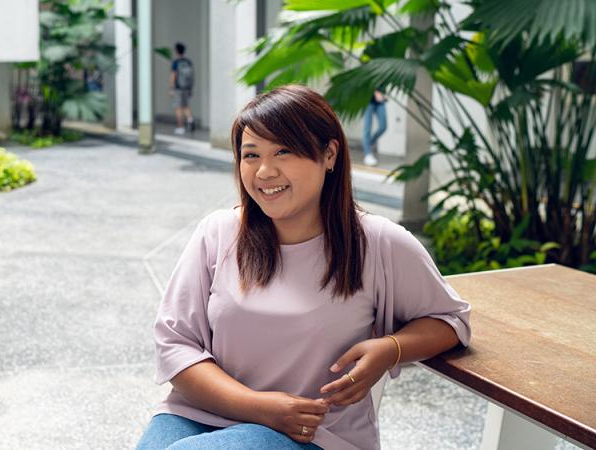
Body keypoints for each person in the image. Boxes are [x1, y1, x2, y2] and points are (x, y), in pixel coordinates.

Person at [136, 85, 471, 450]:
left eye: (284, 151)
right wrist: (258, 407)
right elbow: (175, 344)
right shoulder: (218, 233)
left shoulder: (379, 242)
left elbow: (450, 320)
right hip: (201, 413)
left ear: (329, 154)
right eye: (251, 155)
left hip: (314, 434)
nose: (265, 171)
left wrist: (391, 348)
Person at [169, 42, 195, 135]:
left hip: (178, 88)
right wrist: (190, 88)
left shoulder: (176, 63)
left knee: (178, 108)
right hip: (187, 88)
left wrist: (171, 88)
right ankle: (190, 120)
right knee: (186, 106)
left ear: (176, 51)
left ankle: (180, 127)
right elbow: (191, 76)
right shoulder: (188, 62)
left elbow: (173, 76)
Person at [362, 88, 387, 166]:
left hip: (380, 101)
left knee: (383, 127)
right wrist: (375, 92)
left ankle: (368, 144)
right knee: (367, 129)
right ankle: (367, 154)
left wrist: (383, 94)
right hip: (367, 99)